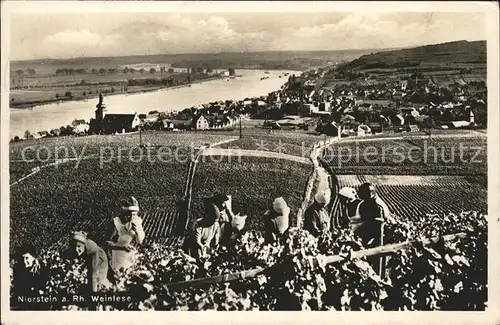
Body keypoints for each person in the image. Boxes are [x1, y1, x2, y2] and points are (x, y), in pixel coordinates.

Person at [106, 196, 145, 278]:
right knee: (119, 276)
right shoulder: (116, 223)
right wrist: (121, 247)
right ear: (123, 213)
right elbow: (108, 242)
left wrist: (137, 231)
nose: (132, 217)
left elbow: (140, 241)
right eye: (129, 215)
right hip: (118, 256)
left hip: (130, 255)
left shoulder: (137, 222)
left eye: (134, 215)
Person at [11, 243, 50, 310]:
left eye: (27, 258)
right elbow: (18, 288)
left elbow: (43, 287)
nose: (24, 261)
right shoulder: (18, 269)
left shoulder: (42, 268)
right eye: (22, 258)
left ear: (34, 257)